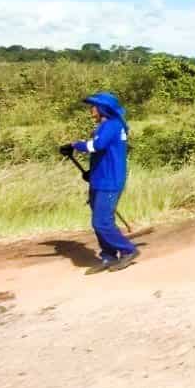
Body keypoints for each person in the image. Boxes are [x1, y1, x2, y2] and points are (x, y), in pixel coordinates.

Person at [60, 92, 137, 272]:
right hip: (101, 179)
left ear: (103, 109)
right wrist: (91, 173)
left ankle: (128, 250)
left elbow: (96, 146)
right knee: (101, 220)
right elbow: (101, 154)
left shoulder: (111, 126)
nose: (90, 110)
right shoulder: (107, 126)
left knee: (101, 222)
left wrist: (74, 145)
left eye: (93, 107)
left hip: (109, 181)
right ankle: (108, 256)